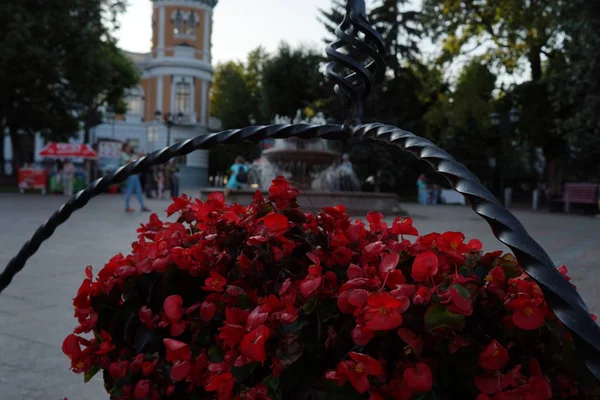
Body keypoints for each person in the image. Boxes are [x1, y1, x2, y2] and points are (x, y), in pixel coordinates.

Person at [121, 143, 151, 213]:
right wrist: (137, 158)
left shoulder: (128, 155)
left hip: (134, 175)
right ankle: (127, 206)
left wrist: (138, 157)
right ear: (125, 148)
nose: (129, 149)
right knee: (129, 191)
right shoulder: (123, 154)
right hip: (130, 175)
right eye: (128, 147)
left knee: (139, 191)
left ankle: (142, 206)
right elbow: (129, 161)